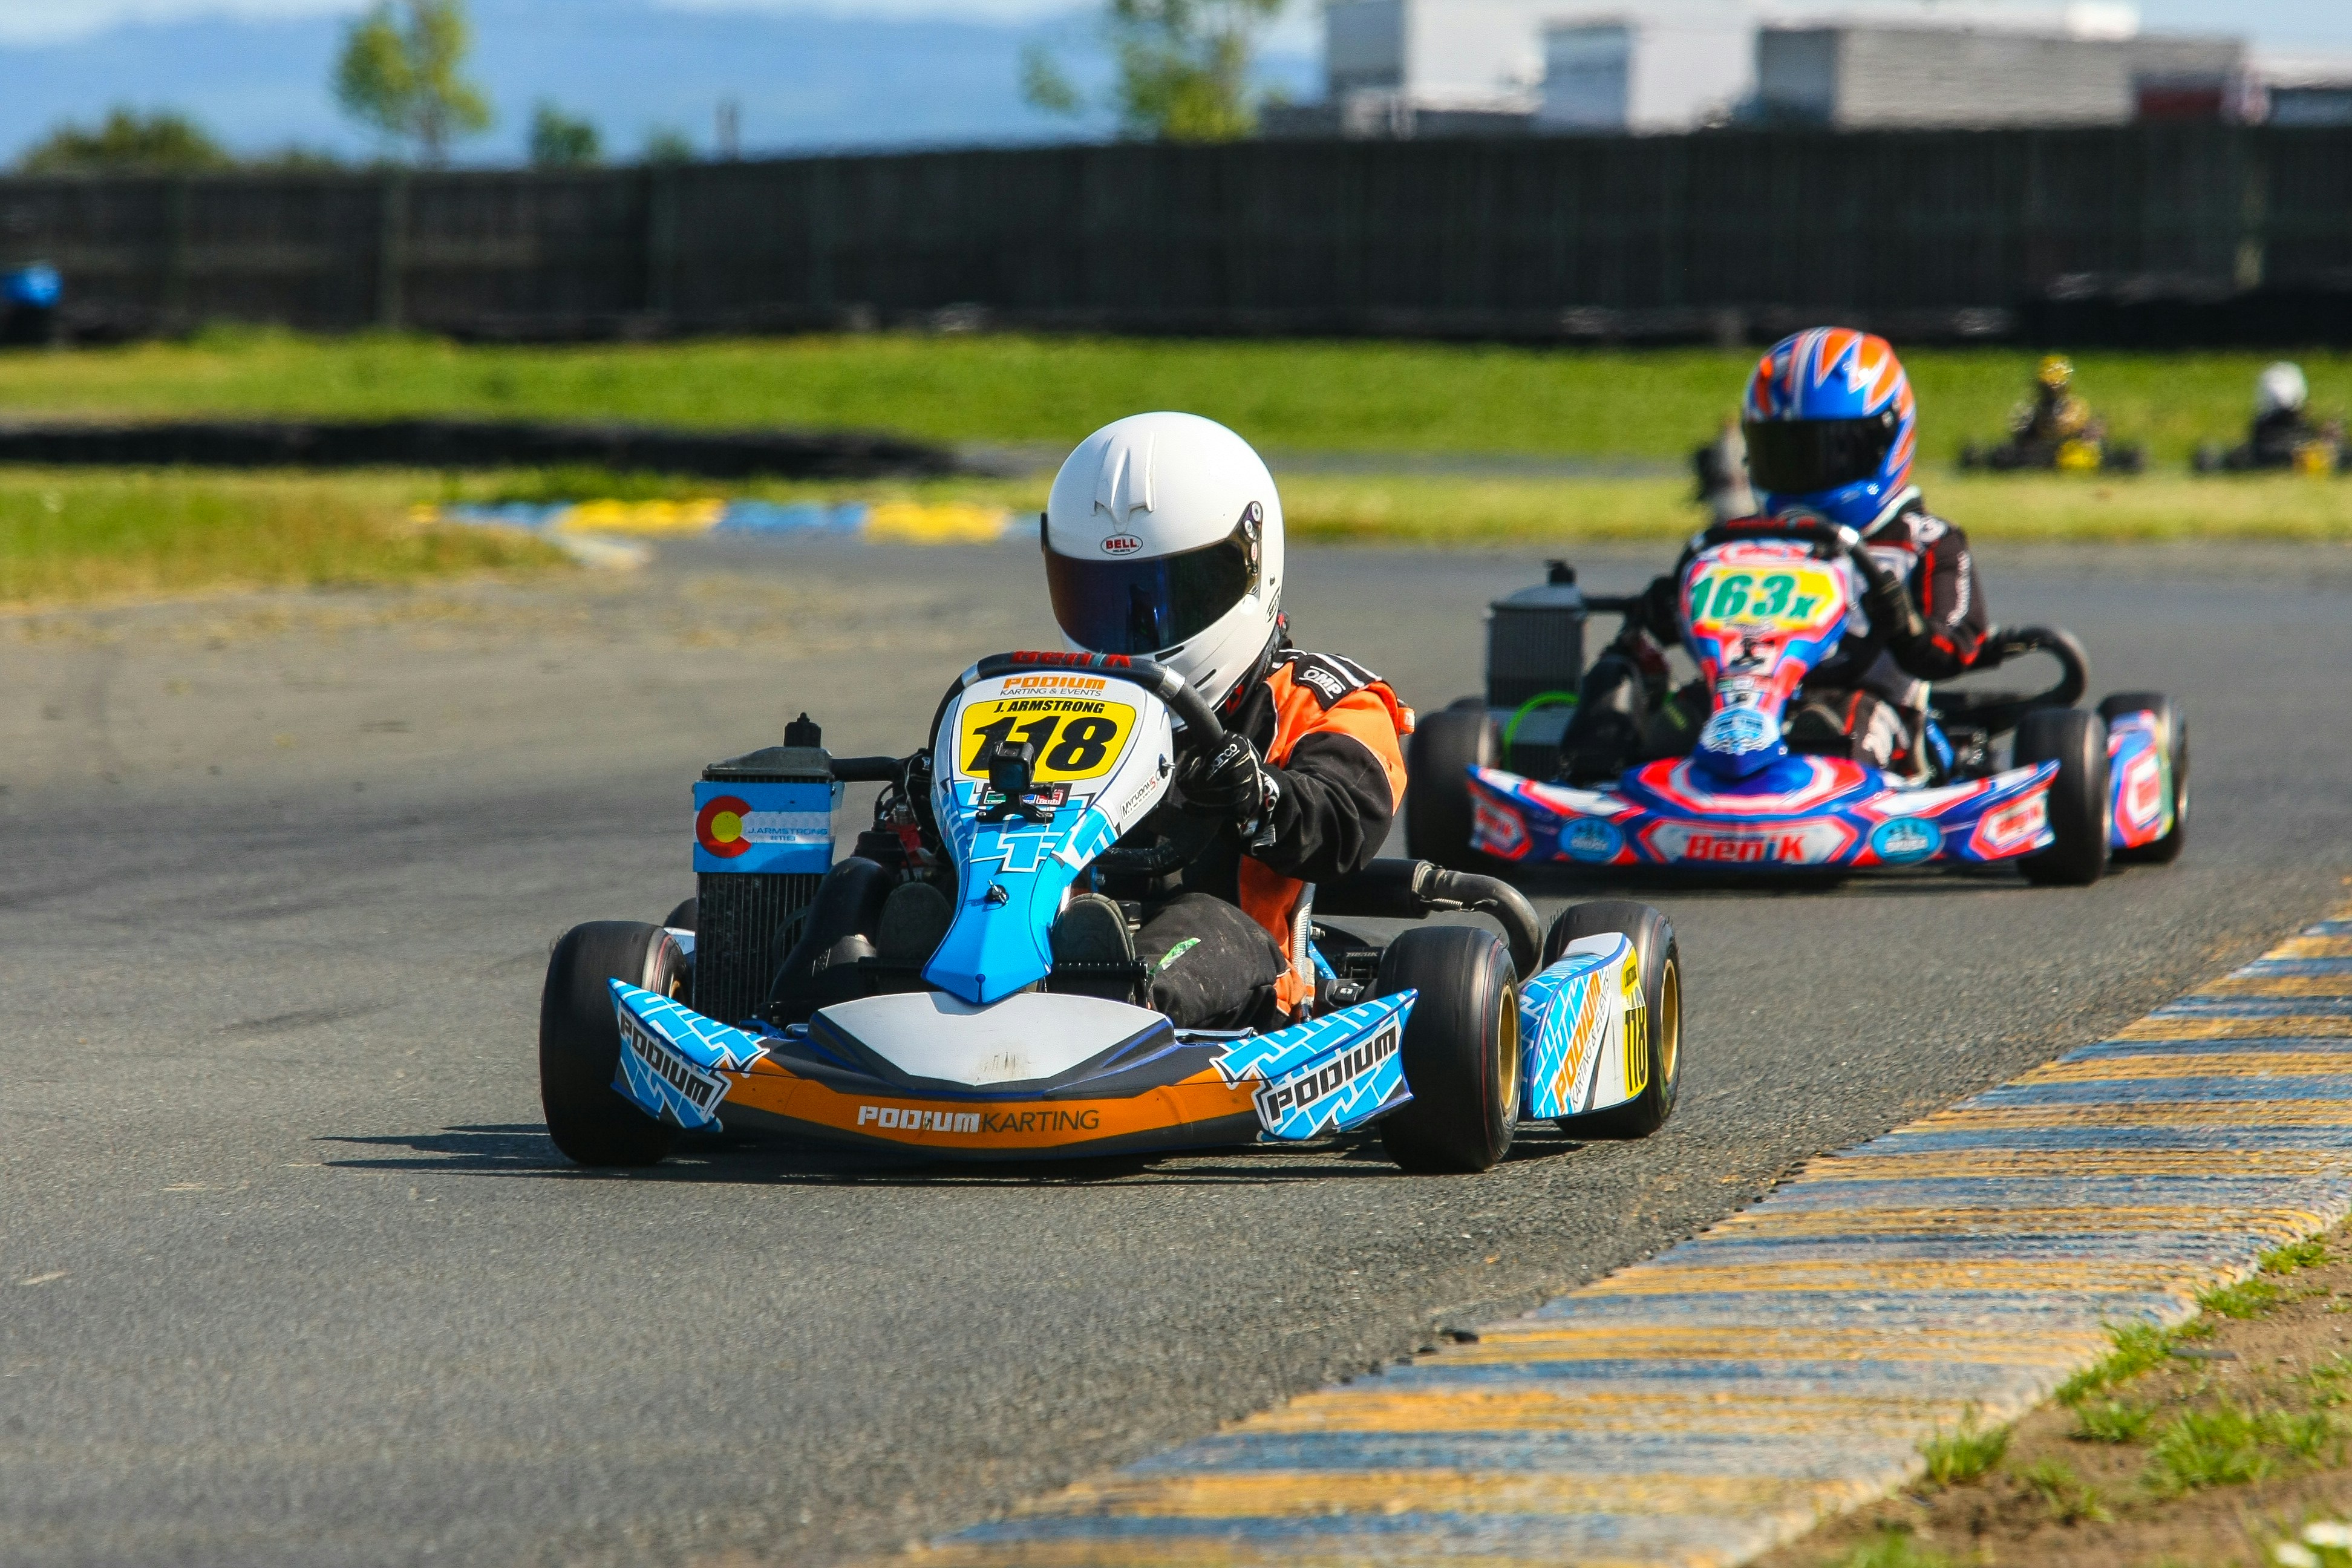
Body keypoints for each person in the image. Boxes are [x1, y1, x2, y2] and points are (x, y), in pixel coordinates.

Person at [770, 412, 1411, 1033]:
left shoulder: (1322, 695)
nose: (1134, 630)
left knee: (1200, 924)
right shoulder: (1045, 696)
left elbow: (1345, 824)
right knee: (873, 880)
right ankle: (824, 999)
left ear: (1251, 566)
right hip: (1039, 917)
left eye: (1169, 595)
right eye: (1105, 595)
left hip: (1229, 960)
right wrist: (936, 801)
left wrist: (1261, 795)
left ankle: (1109, 1000)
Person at [1557, 327, 1990, 783]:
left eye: (1829, 451)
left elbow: (1954, 647)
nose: (1805, 472)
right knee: (1668, 727)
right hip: (1736, 705)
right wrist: (1661, 612)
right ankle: (1604, 786)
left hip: (1872, 706)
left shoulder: (1924, 542)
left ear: (1884, 441)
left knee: (1840, 729)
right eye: (1785, 453)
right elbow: (1681, 615)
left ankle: (1820, 794)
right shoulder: (1736, 541)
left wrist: (1906, 627)